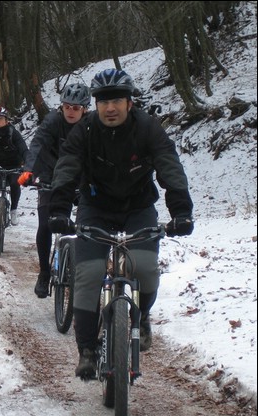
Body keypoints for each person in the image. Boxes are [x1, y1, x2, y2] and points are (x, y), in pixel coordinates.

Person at [47, 69, 194, 379]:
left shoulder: (148, 129)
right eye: (103, 102)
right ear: (95, 105)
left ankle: (142, 317)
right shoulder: (84, 131)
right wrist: (59, 208)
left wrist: (180, 210)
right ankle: (87, 349)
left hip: (138, 207)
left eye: (116, 101)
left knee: (144, 267)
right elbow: (68, 166)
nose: (109, 108)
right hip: (95, 207)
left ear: (129, 102)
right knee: (88, 274)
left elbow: (169, 165)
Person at [18, 83, 91, 298]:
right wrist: (29, 171)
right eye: (67, 106)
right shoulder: (52, 121)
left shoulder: (91, 125)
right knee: (45, 224)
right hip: (51, 176)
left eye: (76, 108)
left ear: (85, 109)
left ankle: (86, 269)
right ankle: (44, 272)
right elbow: (37, 144)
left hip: (80, 178)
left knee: (90, 224)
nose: (70, 111)